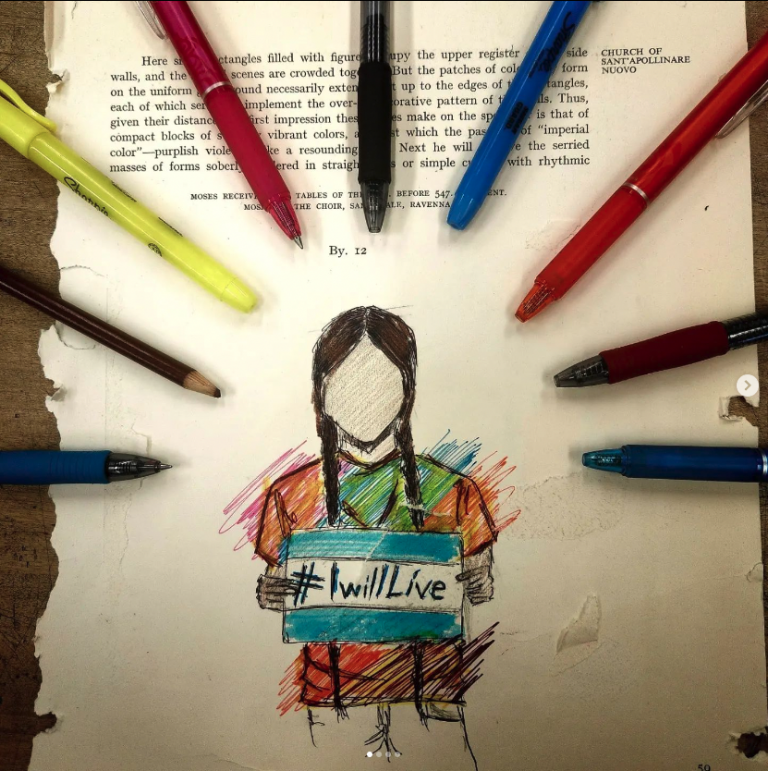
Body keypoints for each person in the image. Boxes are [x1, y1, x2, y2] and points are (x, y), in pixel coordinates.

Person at [254, 306, 498, 765]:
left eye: (383, 382)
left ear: (407, 390)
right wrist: (270, 593)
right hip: (331, 699)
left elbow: (481, 583)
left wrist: (480, 584)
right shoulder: (290, 494)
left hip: (432, 697)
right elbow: (274, 588)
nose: (365, 397)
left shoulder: (454, 490)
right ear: (322, 394)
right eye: (346, 383)